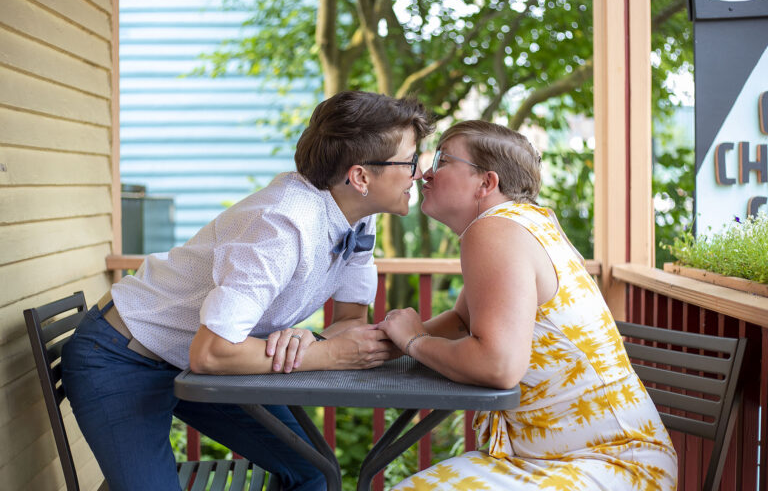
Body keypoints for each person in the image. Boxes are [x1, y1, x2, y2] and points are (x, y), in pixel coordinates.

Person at [61, 91, 433, 491]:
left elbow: (349, 322)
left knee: (314, 472)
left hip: (198, 356)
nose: (421, 173)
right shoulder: (280, 225)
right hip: (123, 355)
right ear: (361, 177)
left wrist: (312, 340)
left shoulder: (359, 218)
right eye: (411, 161)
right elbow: (211, 353)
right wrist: (325, 351)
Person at [378, 120, 677, 490]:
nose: (425, 173)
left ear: (486, 183)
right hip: (566, 459)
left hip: (608, 464)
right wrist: (383, 344)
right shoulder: (524, 223)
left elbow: (498, 365)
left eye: (441, 159)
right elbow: (460, 320)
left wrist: (413, 342)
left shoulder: (496, 230)